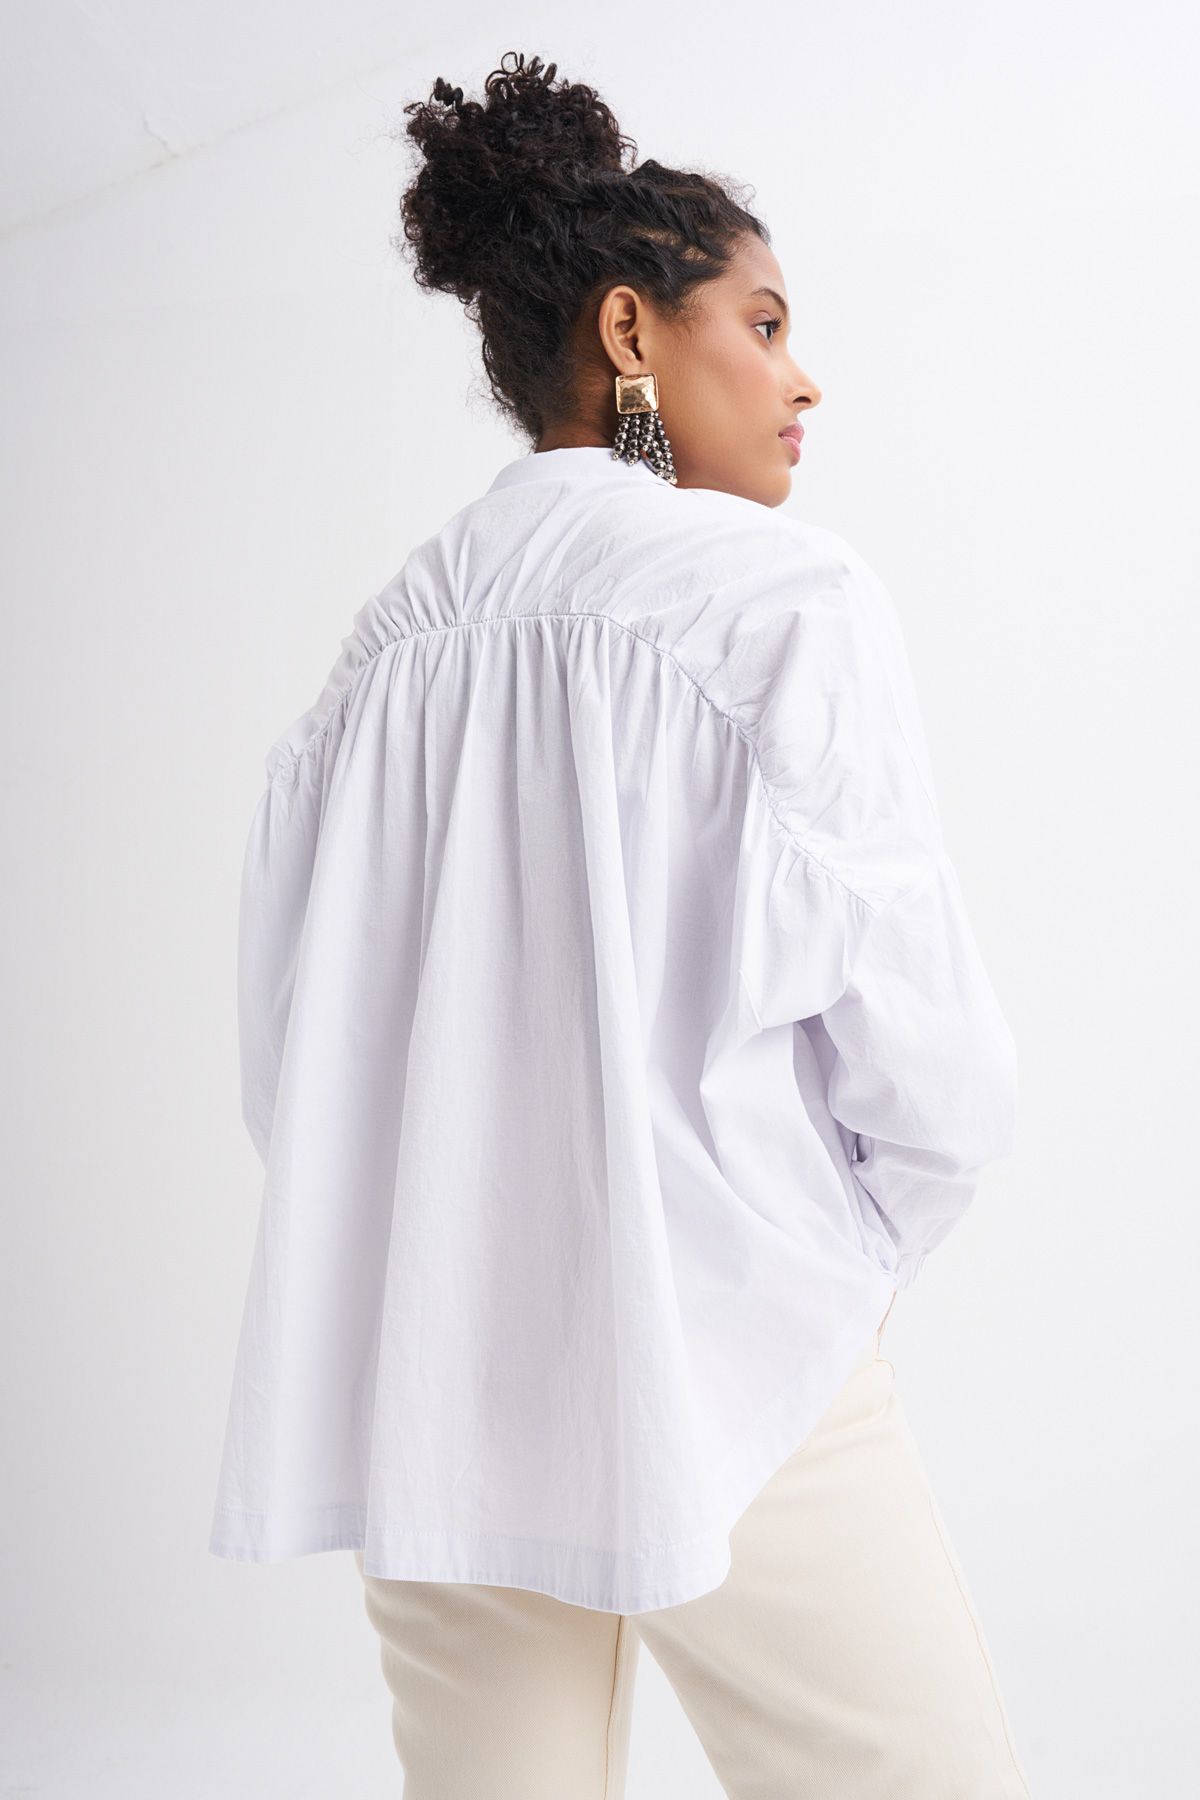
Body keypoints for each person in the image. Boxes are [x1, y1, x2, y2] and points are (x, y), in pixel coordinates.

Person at [208, 49, 1033, 1800]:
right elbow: (933, 1066)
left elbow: (295, 1062)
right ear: (631, 331)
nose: (805, 378)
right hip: (731, 1342)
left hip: (436, 1371)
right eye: (765, 323)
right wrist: (835, 1269)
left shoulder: (376, 660)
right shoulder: (781, 600)